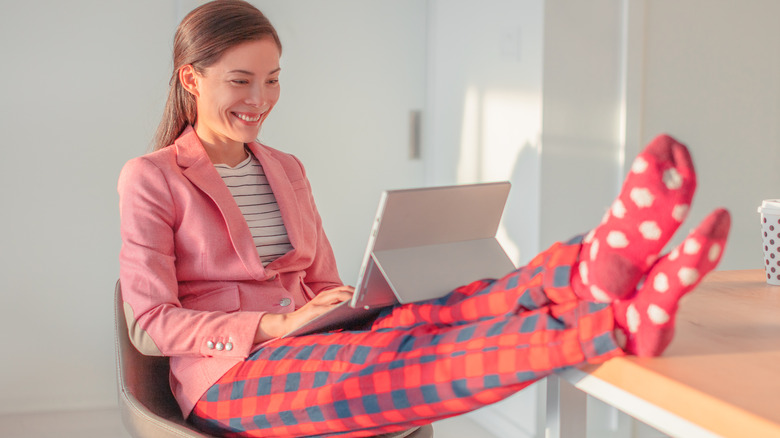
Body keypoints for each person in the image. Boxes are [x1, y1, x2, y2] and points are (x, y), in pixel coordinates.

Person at [117, 1, 731, 436]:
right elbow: (149, 324)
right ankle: (613, 324)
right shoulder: (152, 177)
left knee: (436, 311)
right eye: (241, 81)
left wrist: (341, 305)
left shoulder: (287, 168)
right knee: (397, 362)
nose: (260, 100)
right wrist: (275, 326)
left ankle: (586, 271)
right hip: (230, 377)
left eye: (273, 80)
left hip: (311, 339)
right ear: (191, 78)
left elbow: (323, 279)